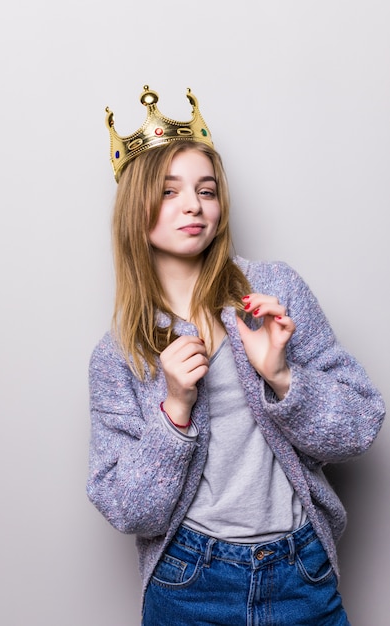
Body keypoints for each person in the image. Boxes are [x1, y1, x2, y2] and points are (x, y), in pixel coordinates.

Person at [87, 86, 385, 626]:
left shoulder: (273, 291)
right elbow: (129, 509)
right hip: (188, 583)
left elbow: (361, 427)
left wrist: (283, 377)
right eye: (170, 191)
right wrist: (174, 411)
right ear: (137, 207)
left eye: (206, 190)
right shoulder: (119, 354)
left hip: (302, 572)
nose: (193, 205)